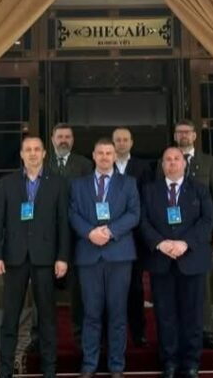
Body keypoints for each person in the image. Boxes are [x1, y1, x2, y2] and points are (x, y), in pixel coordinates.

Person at [0, 137, 71, 378]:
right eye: (28, 150)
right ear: (22, 154)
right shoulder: (8, 183)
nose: (33, 154)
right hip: (14, 258)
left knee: (47, 318)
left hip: (45, 258)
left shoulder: (58, 183)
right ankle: (5, 371)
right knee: (10, 317)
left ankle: (49, 371)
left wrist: (62, 257)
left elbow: (63, 223)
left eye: (37, 149)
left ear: (44, 153)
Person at [141, 148, 213, 378]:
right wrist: (160, 243)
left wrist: (185, 243)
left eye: (176, 159)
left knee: (192, 315)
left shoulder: (199, 189)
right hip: (161, 261)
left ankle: (191, 362)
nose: (172, 163)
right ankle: (169, 362)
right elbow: (142, 221)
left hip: (191, 260)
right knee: (165, 315)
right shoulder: (149, 190)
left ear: (184, 164)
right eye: (168, 160)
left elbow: (208, 220)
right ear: (162, 165)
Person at [69, 138, 140, 378]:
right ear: (93, 155)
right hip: (89, 255)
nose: (104, 157)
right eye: (100, 153)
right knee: (91, 313)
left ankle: (116, 365)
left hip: (119, 255)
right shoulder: (78, 185)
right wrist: (90, 232)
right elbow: (72, 213)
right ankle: (89, 364)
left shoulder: (128, 183)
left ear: (114, 156)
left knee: (118, 313)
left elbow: (134, 214)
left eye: (109, 153)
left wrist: (109, 231)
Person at [160, 119, 213, 349]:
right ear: (174, 136)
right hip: (172, 236)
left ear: (195, 136)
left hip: (199, 235)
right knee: (175, 287)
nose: (183, 136)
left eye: (187, 132)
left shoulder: (208, 162)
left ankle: (206, 331)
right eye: (179, 132)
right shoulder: (166, 161)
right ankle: (180, 331)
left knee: (203, 286)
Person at [28, 122, 92, 350]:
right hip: (45, 236)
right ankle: (39, 336)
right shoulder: (41, 164)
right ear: (52, 139)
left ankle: (80, 336)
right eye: (60, 136)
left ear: (72, 140)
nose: (64, 140)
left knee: (78, 290)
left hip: (75, 236)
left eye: (68, 137)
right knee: (42, 288)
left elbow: (88, 198)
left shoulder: (85, 165)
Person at [113, 126, 153, 347]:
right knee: (111, 287)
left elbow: (147, 200)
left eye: (125, 139)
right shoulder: (103, 164)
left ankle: (138, 332)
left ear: (131, 143)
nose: (121, 143)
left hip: (134, 236)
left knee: (135, 286)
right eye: (117, 140)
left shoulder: (142, 167)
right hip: (109, 236)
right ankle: (111, 333)